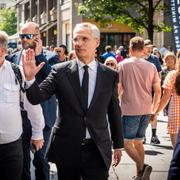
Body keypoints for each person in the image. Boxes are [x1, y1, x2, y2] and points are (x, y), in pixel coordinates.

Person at [23, 22, 124, 180]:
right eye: (76, 39)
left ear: (97, 42)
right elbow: (37, 97)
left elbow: (114, 111)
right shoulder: (59, 71)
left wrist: (118, 144)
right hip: (67, 148)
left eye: (85, 39)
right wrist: (30, 79)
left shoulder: (109, 75)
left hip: (97, 149)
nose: (79, 43)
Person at [7, 22, 58, 180]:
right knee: (21, 162)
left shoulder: (50, 57)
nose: (22, 39)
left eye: (27, 36)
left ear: (37, 37)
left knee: (41, 160)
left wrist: (38, 56)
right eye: (21, 36)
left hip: (42, 118)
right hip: (19, 118)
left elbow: (54, 81)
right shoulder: (13, 57)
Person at [0, 31, 44, 180]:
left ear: (2, 51)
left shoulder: (16, 71)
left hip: (12, 148)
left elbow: (31, 103)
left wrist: (37, 133)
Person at [118, 36, 161, 180]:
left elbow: (119, 89)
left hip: (130, 109)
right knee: (138, 142)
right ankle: (140, 175)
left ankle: (142, 167)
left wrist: (115, 106)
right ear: (143, 50)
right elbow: (158, 90)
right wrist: (154, 109)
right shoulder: (152, 66)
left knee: (126, 143)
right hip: (146, 109)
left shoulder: (123, 65)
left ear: (130, 49)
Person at [152, 52, 180, 148]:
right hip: (175, 112)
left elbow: (166, 97)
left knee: (177, 150)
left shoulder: (173, 75)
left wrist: (156, 112)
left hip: (176, 113)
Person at [144, 39, 162, 145]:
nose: (150, 49)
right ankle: (143, 136)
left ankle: (154, 135)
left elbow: (159, 73)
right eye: (148, 47)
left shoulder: (154, 58)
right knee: (143, 113)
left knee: (153, 111)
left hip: (153, 89)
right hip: (142, 90)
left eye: (151, 47)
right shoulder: (139, 58)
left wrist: (158, 87)